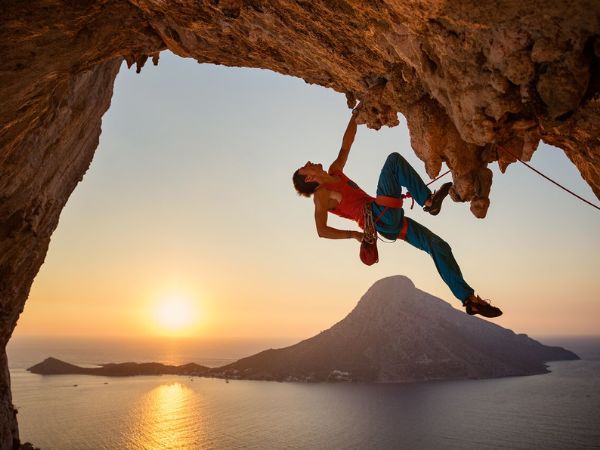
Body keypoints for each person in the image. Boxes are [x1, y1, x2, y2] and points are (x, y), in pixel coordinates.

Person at [292, 110, 502, 318]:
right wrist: (354, 235)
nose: (308, 163)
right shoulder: (322, 194)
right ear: (309, 179)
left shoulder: (334, 171)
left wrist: (354, 116)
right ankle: (428, 201)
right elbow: (321, 230)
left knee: (438, 246)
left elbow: (346, 145)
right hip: (379, 216)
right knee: (393, 162)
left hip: (389, 220)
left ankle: (469, 299)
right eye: (305, 167)